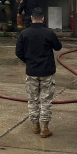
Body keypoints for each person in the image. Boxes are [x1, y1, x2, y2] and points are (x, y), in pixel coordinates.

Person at [15, 7, 62, 138]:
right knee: (46, 100)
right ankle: (45, 129)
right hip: (47, 72)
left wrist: (29, 61)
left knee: (32, 100)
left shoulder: (24, 34)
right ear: (43, 18)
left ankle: (35, 125)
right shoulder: (49, 33)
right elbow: (58, 47)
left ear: (31, 18)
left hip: (31, 72)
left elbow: (18, 52)